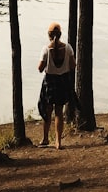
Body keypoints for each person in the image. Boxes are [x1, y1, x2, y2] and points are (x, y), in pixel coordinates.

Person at [37, 21, 75, 149]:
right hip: (63, 81)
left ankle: (45, 138)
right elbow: (73, 65)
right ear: (60, 34)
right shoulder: (68, 48)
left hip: (50, 82)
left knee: (48, 111)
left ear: (49, 35)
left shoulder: (46, 50)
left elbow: (40, 69)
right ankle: (58, 142)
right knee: (59, 112)